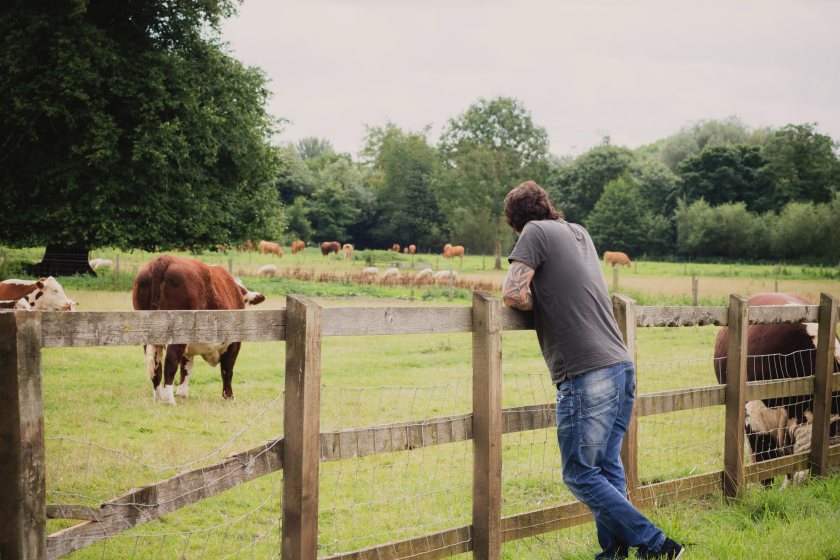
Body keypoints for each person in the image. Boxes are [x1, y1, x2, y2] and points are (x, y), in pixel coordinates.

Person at [502, 180, 684, 560]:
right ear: (548, 204)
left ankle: (656, 545)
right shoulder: (579, 232)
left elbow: (513, 293)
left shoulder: (534, 232)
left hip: (587, 373)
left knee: (579, 474)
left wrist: (542, 304)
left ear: (516, 223)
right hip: (620, 366)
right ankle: (614, 554)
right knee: (606, 466)